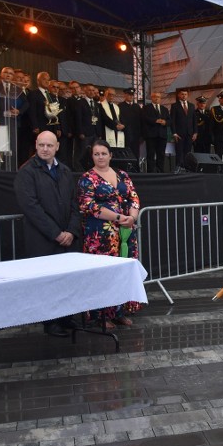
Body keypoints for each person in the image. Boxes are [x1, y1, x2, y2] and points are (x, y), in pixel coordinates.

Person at [13, 131, 82, 337]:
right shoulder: (26, 172)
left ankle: (66, 317)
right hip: (42, 239)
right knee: (47, 282)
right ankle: (50, 322)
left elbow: (74, 204)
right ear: (35, 145)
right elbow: (31, 207)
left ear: (57, 147)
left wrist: (70, 231)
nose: (45, 149)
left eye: (49, 145)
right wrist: (56, 233)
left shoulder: (65, 171)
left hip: (67, 239)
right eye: (41, 145)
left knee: (66, 279)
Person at [77, 139, 142, 329]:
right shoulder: (87, 178)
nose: (100, 157)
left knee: (122, 272)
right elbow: (88, 205)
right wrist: (117, 217)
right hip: (100, 235)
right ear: (92, 156)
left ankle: (119, 312)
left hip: (125, 232)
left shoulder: (122, 175)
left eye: (103, 153)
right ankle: (101, 315)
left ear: (110, 155)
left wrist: (131, 217)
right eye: (96, 154)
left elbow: (133, 197)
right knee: (103, 274)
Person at [141, 92, 170, 173]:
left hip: (162, 135)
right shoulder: (146, 108)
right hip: (151, 135)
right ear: (151, 98)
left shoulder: (164, 109)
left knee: (161, 154)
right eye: (154, 97)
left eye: (158, 97)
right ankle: (151, 172)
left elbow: (169, 121)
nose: (156, 98)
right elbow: (144, 118)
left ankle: (160, 171)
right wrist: (155, 121)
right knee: (150, 154)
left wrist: (165, 122)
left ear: (160, 99)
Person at [170, 89, 197, 172]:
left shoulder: (192, 106)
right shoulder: (174, 106)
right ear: (179, 95)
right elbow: (172, 121)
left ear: (187, 95)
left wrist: (195, 132)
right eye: (182, 94)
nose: (184, 96)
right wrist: (174, 133)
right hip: (179, 134)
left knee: (188, 152)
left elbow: (194, 121)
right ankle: (178, 168)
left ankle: (187, 168)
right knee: (179, 152)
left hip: (189, 133)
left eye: (185, 94)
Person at [118, 87, 142, 161]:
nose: (131, 96)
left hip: (136, 134)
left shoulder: (137, 107)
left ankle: (136, 169)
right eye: (129, 95)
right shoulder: (120, 106)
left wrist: (141, 135)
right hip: (125, 133)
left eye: (132, 95)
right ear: (125, 95)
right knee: (126, 152)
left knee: (136, 153)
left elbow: (140, 121)